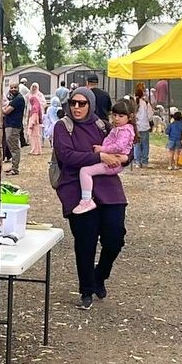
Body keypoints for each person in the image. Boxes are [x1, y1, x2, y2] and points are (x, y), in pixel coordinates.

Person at [53, 87, 129, 310]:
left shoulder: (103, 125)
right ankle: (86, 289)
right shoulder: (63, 127)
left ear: (91, 104)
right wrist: (99, 155)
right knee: (85, 242)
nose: (77, 107)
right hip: (77, 189)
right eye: (73, 103)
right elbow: (66, 155)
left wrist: (122, 157)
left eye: (82, 103)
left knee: (115, 237)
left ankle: (100, 275)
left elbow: (125, 146)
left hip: (109, 189)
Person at [72, 99, 136, 214]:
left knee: (85, 171)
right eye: (114, 115)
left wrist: (102, 150)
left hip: (112, 163)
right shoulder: (120, 128)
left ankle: (86, 200)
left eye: (120, 116)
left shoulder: (122, 130)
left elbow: (120, 147)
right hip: (113, 161)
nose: (116, 118)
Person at [2, 81, 25, 175]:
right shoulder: (14, 98)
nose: (13, 89)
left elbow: (6, 111)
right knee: (12, 147)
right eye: (11, 88)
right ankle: (13, 167)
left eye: (15, 87)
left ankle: (15, 169)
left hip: (13, 126)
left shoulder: (18, 99)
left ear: (18, 88)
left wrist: (0, 107)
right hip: (11, 125)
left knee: (14, 148)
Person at [133, 82, 151, 168]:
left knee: (136, 144)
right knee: (145, 144)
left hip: (136, 127)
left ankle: (137, 161)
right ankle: (145, 161)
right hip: (145, 126)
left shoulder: (133, 104)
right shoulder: (146, 103)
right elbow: (150, 115)